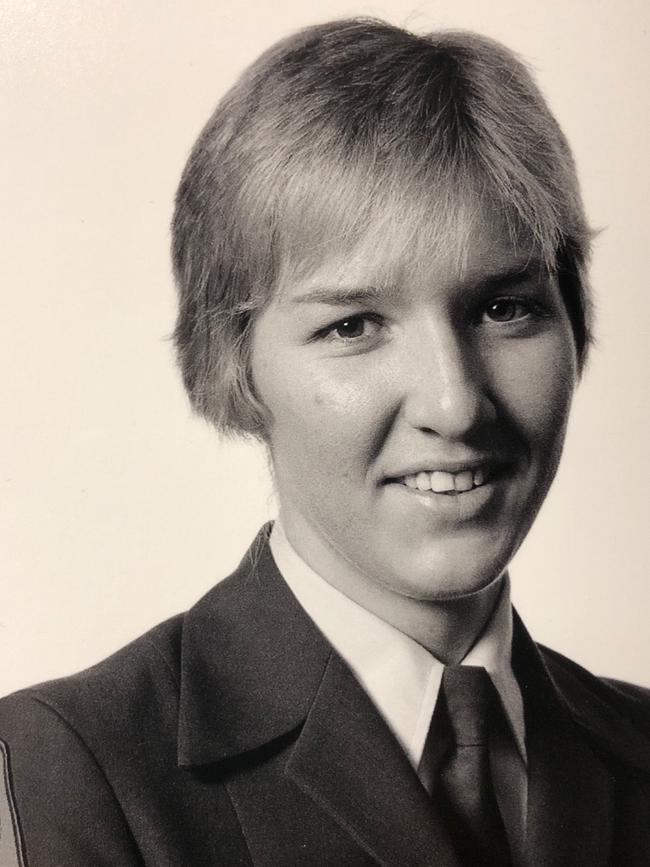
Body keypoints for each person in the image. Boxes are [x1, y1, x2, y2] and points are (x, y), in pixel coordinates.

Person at [1, 17, 649, 867]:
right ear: (234, 365)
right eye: (354, 325)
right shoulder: (71, 770)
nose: (455, 404)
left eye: (503, 307)